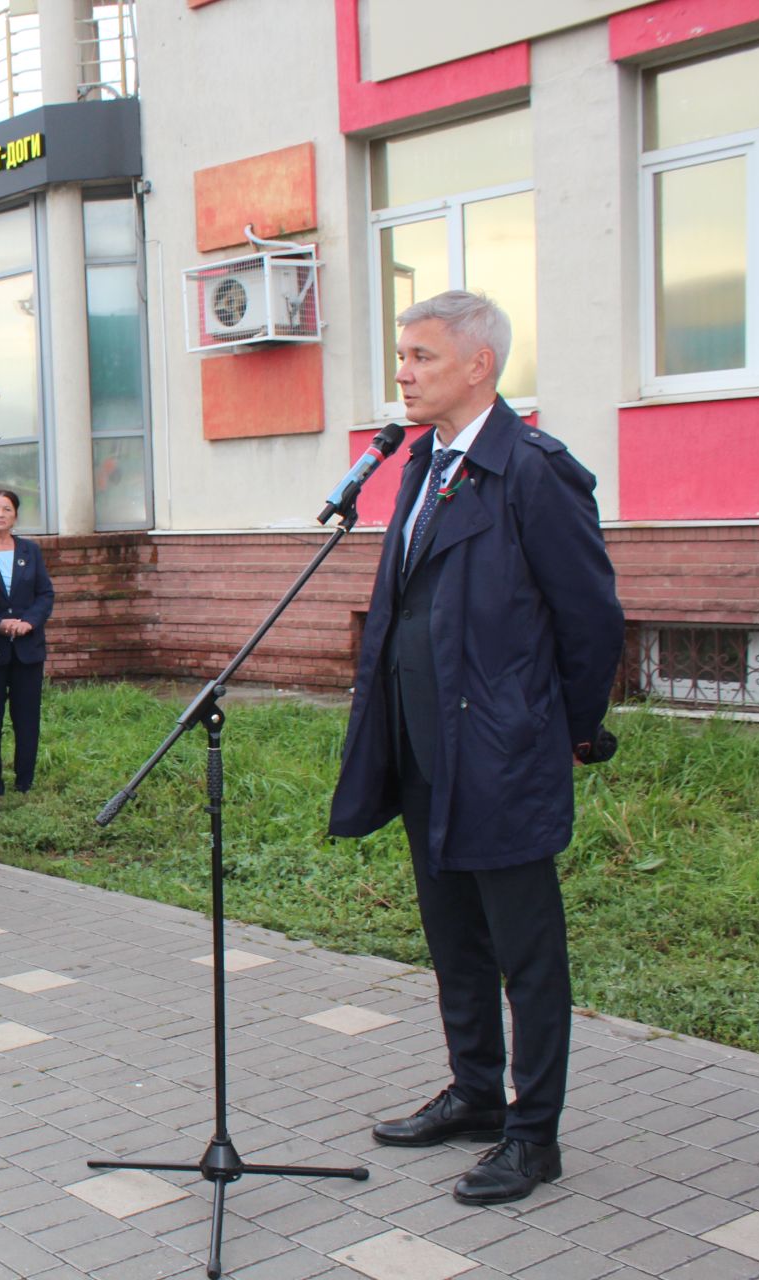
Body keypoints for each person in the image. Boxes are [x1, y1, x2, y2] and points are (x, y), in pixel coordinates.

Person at [330, 291, 624, 1207]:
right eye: (402, 357)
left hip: (504, 751)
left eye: (419, 357)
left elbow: (592, 622)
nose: (404, 374)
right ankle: (475, 1094)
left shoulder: (533, 472)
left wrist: (564, 730)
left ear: (477, 365)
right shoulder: (422, 465)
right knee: (453, 934)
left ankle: (534, 1137)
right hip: (426, 745)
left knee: (525, 949)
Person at [0, 489, 52, 796]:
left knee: (26, 719)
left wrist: (29, 622)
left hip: (27, 649)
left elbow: (45, 593)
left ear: (15, 515)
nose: (0, 514)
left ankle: (24, 781)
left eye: (6, 509)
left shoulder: (29, 550)